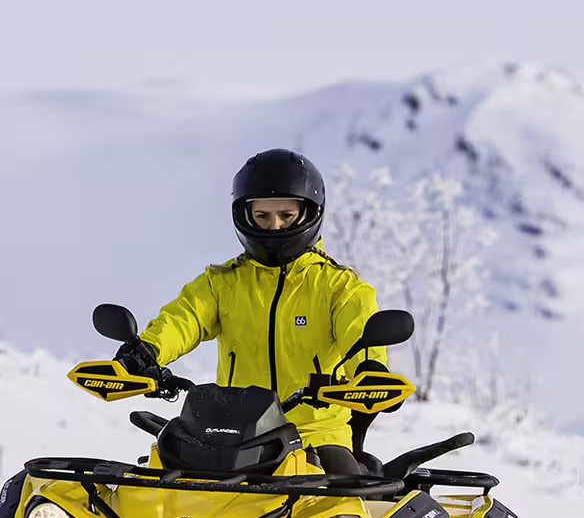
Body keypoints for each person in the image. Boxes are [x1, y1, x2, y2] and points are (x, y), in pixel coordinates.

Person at [111, 148, 385, 475]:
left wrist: (370, 371)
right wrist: (144, 354)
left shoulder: (340, 288)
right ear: (245, 216)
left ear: (310, 213)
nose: (274, 227)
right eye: (263, 216)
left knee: (352, 502)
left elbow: (362, 336)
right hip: (230, 437)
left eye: (286, 215)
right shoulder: (222, 283)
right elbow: (183, 320)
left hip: (315, 436)